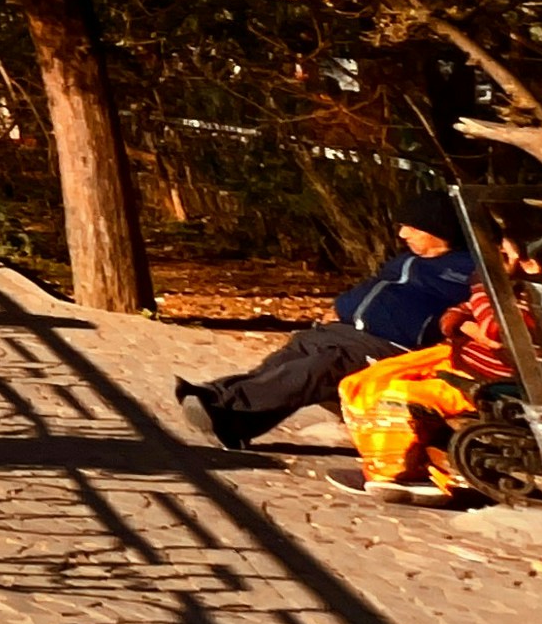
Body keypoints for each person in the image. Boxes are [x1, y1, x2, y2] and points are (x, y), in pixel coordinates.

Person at [177, 190, 475, 451]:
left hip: (394, 346)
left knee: (320, 368)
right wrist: (342, 307)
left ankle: (222, 408)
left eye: (412, 228)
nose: (402, 235)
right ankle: (226, 412)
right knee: (291, 357)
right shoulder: (407, 260)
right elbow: (374, 287)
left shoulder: (468, 268)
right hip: (345, 330)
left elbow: (475, 308)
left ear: (439, 230)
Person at [340, 228, 542, 501]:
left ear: (532, 265)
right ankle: (380, 461)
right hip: (458, 357)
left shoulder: (540, 306)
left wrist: (483, 288)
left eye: (505, 255)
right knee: (364, 381)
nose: (495, 260)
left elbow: (497, 330)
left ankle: (401, 473)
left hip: (487, 379)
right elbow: (452, 317)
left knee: (397, 397)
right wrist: (468, 323)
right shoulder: (510, 291)